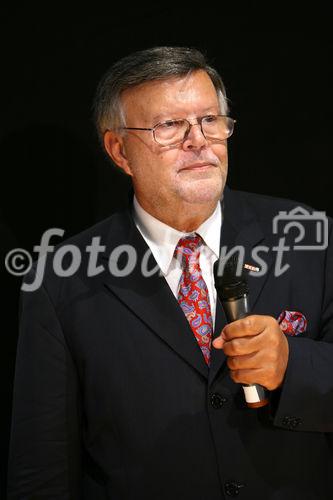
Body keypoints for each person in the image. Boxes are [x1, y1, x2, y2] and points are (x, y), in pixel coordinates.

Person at [7, 46, 333, 499]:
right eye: (168, 126)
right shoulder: (60, 278)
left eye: (210, 120)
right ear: (119, 151)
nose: (198, 140)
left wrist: (293, 367)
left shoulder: (308, 237)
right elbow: (41, 466)